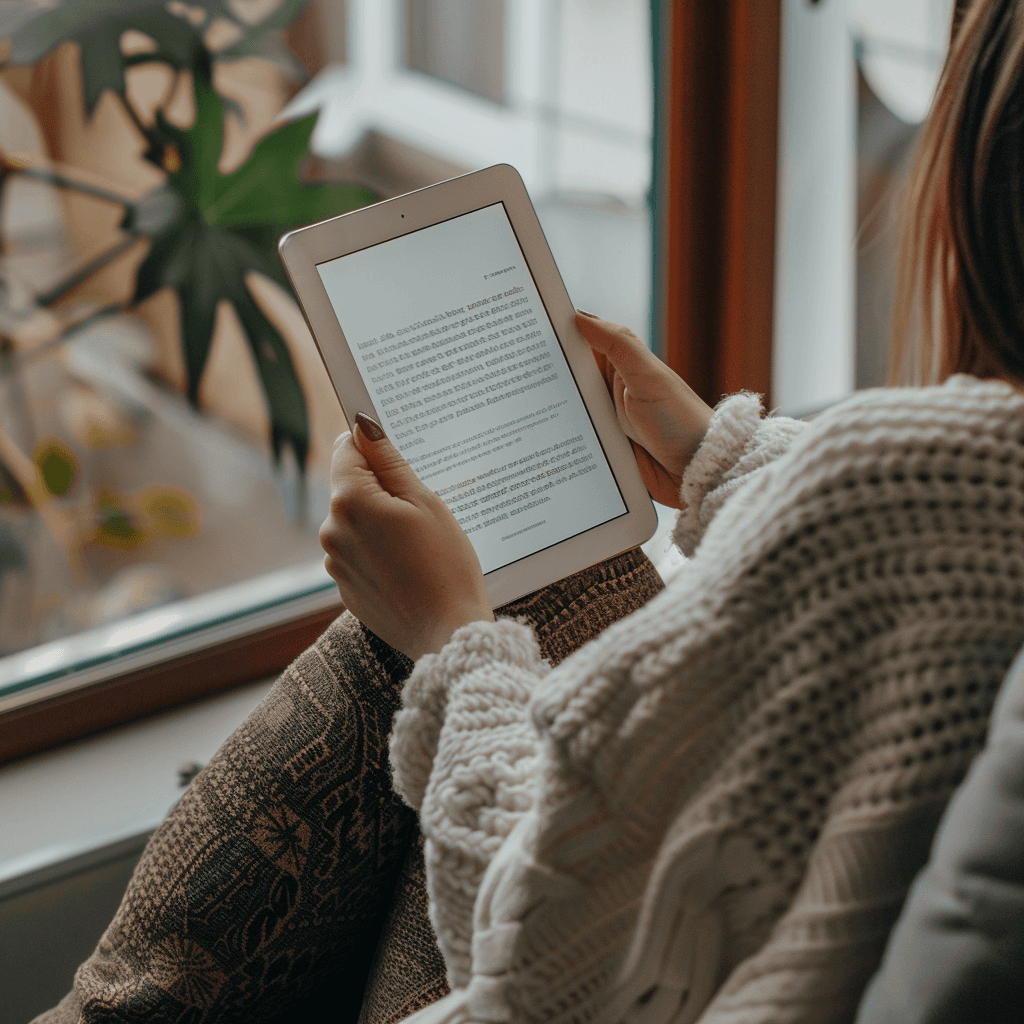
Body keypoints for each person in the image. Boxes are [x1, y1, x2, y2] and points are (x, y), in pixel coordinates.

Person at [34, 0, 1024, 1021]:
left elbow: (544, 952)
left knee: (491, 600)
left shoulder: (906, 481)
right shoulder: (941, 502)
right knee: (546, 566)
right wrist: (718, 460)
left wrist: (453, 642)